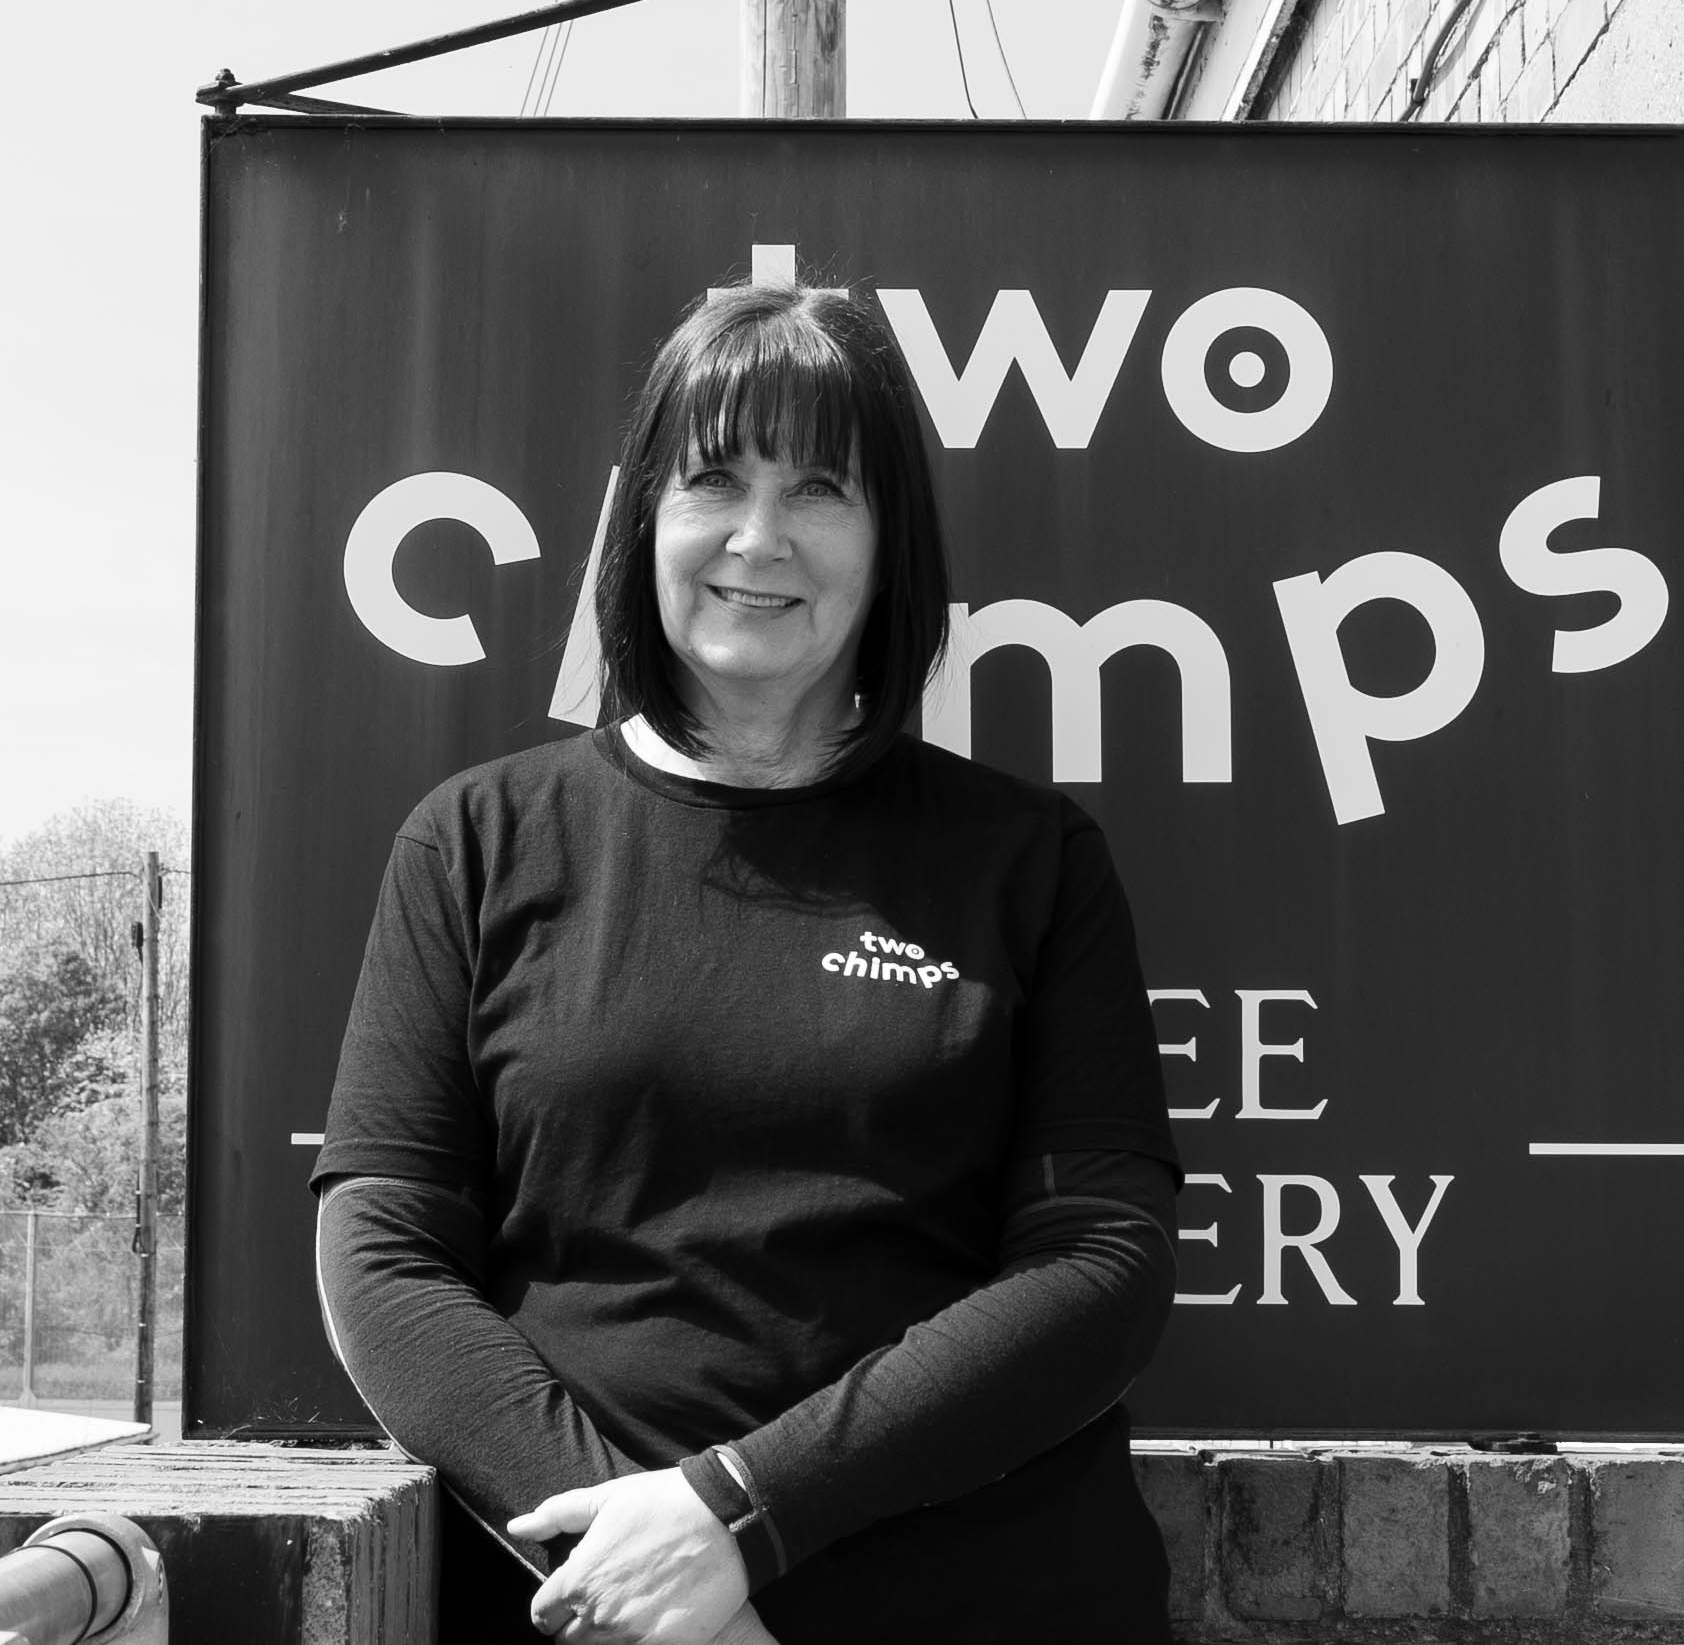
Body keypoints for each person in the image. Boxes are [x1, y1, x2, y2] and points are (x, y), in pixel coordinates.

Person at [312, 280, 1182, 1644]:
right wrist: (638, 1573)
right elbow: (385, 1257)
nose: (758, 538)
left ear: (891, 544)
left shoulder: (1031, 858)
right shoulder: (475, 842)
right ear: (644, 523)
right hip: (591, 1614)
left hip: (991, 1601)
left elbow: (1102, 1263)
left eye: (820, 489)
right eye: (713, 479)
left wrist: (743, 1512)